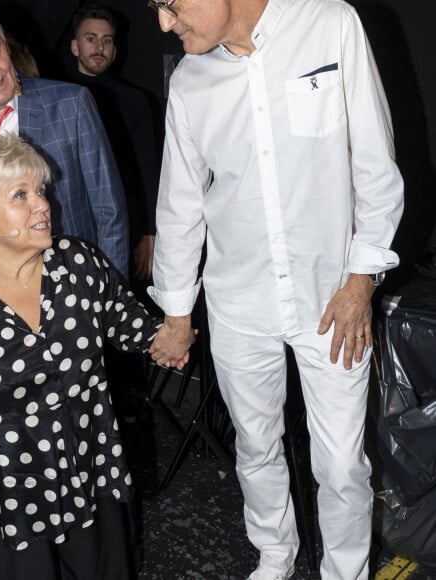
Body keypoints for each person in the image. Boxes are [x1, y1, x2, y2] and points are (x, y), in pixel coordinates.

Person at [146, 1, 404, 579]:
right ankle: (275, 554)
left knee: (341, 464)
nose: (163, 23)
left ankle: (347, 572)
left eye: (170, 3)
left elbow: (376, 166)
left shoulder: (330, 23)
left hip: (332, 297)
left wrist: (362, 280)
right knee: (255, 445)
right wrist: (177, 310)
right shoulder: (189, 79)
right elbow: (180, 203)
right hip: (238, 301)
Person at [0, 134, 192, 580]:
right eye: (20, 197)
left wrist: (166, 338)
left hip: (83, 464)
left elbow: (125, 319)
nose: (42, 205)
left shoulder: (79, 265)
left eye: (40, 191)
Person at [0, 0, 129, 279]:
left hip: (75, 294)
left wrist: (111, 303)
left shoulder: (70, 105)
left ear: (6, 45)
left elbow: (109, 213)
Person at [70, 5, 160, 287]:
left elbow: (149, 169)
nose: (100, 47)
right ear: (75, 46)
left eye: (107, 40)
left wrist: (150, 233)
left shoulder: (135, 101)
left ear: (115, 50)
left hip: (128, 225)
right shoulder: (59, 97)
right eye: (91, 38)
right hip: (74, 226)